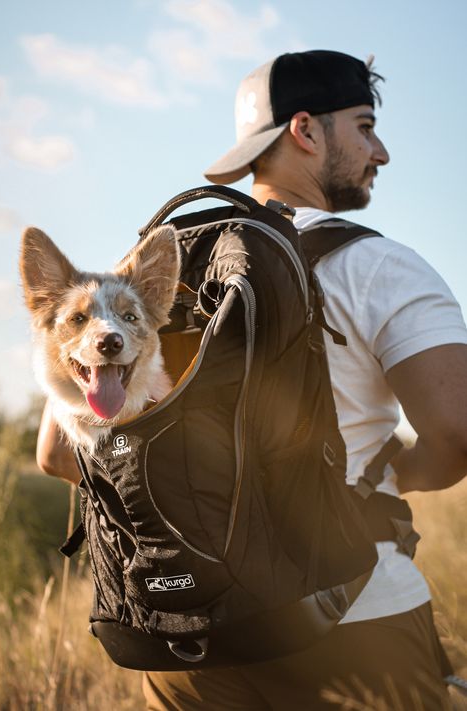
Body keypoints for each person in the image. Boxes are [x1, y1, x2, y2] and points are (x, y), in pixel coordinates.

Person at [141, 50, 467, 710]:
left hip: (178, 636)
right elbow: (457, 432)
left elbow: (59, 453)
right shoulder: (377, 264)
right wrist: (394, 477)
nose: (382, 152)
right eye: (365, 125)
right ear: (306, 131)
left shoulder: (151, 271)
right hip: (351, 618)